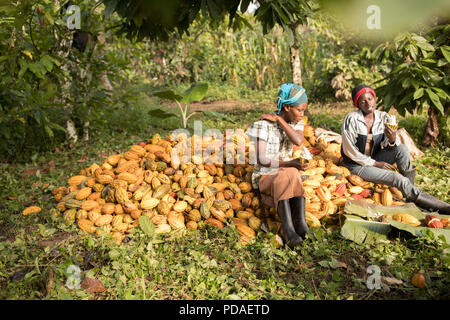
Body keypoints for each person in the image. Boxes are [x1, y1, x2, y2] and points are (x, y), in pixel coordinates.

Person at [341, 84, 450, 214]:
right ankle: (443, 207)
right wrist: (375, 163)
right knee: (397, 179)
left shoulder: (384, 117)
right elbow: (349, 150)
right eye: (363, 101)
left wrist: (392, 139)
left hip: (375, 158)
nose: (368, 103)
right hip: (357, 166)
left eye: (370, 98)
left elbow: (394, 145)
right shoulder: (352, 119)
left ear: (374, 99)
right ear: (357, 104)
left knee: (403, 149)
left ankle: (409, 196)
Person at [246, 83, 310, 248]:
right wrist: (290, 163)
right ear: (287, 107)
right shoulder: (262, 125)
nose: (302, 114)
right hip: (265, 175)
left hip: (286, 172)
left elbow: (297, 140)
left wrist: (280, 120)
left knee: (291, 173)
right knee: (288, 173)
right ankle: (288, 230)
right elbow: (262, 160)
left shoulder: (296, 124)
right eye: (299, 110)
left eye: (304, 110)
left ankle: (301, 224)